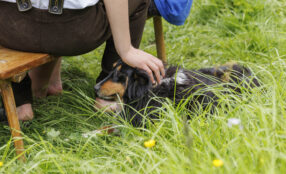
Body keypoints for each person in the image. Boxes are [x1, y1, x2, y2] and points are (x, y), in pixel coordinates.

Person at [0, 0, 165, 121]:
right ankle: (108, 96)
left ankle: (19, 101)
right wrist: (125, 49)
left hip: (12, 28)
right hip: (75, 30)